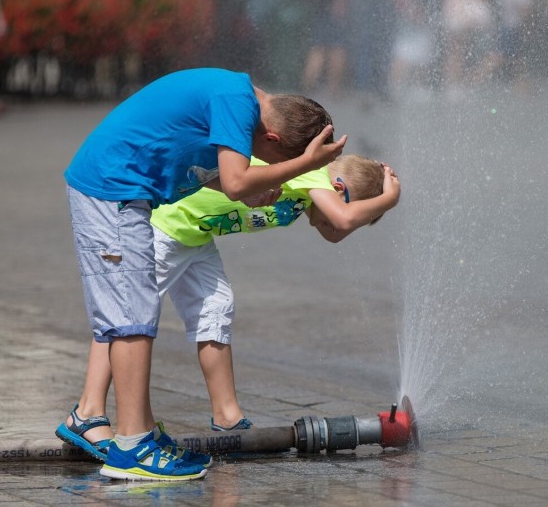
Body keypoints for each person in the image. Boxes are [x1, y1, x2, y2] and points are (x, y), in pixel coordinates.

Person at [61, 67, 345, 481]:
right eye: (277, 160)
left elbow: (205, 173)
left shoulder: (240, 99)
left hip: (124, 190)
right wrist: (301, 165)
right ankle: (130, 447)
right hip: (111, 188)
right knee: (131, 315)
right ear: (274, 139)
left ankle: (132, 432)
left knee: (137, 310)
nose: (269, 164)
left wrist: (253, 184)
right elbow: (234, 182)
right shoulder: (237, 100)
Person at [57, 154, 399, 456]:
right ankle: (87, 413)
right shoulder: (313, 174)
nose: (351, 225)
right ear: (338, 189)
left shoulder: (306, 199)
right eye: (357, 209)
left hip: (194, 236)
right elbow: (341, 221)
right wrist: (389, 199)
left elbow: (337, 230)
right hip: (165, 229)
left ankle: (228, 417)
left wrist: (377, 200)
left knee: (216, 308)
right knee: (125, 317)